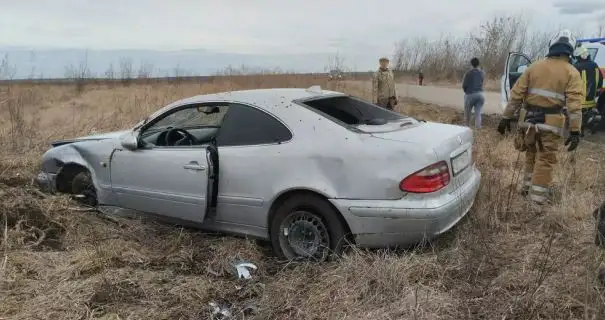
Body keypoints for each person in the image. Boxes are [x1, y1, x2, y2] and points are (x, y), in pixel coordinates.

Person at [497, 29, 584, 205]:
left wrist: (506, 118)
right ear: (571, 50)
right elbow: (575, 106)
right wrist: (575, 130)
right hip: (551, 125)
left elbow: (515, 95)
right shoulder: (572, 72)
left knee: (531, 154)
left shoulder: (534, 67)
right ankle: (536, 202)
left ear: (551, 46)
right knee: (545, 160)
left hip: (528, 121)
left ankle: (526, 189)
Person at [574, 45, 604, 135]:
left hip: (580, 97)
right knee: (588, 112)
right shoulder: (595, 65)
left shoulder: (576, 66)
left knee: (580, 114)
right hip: (591, 97)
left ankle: (581, 130)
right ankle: (591, 125)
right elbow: (600, 78)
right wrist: (598, 89)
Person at [462, 57, 485, 128]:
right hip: (480, 95)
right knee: (478, 113)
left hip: (470, 94)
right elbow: (481, 82)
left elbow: (464, 85)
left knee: (467, 113)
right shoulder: (482, 73)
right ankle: (478, 127)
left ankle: (466, 127)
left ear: (471, 64)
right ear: (478, 64)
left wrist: (466, 92)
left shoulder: (468, 73)